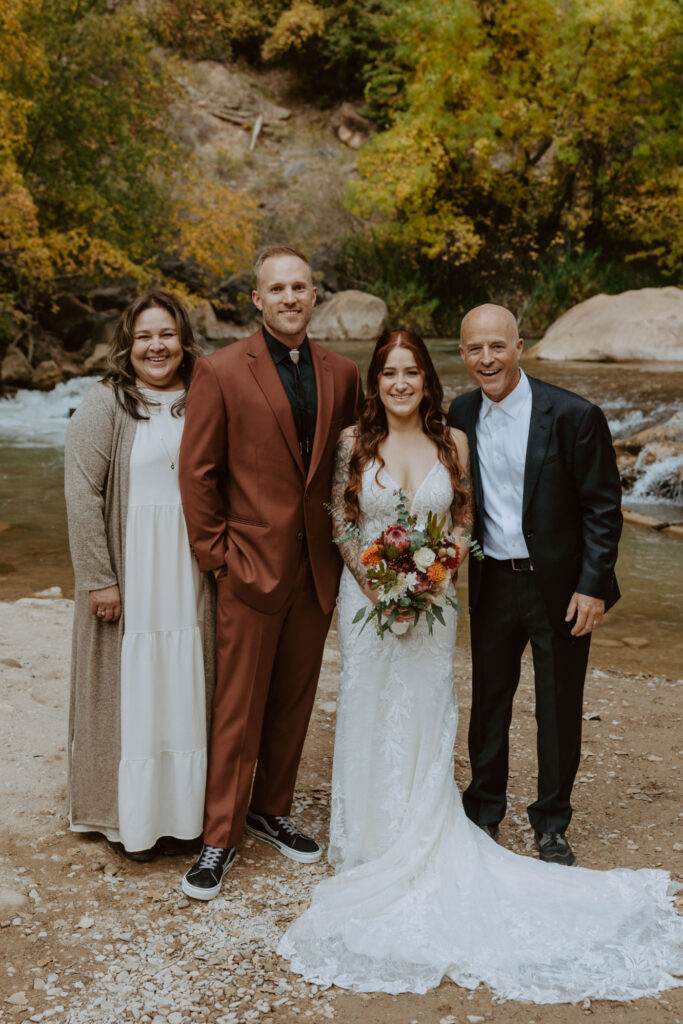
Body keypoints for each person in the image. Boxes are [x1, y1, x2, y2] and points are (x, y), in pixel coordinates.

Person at [277, 328, 683, 1000]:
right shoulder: (389, 433)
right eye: (390, 372)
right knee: (446, 700)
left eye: (413, 371)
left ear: (516, 346)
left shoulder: (525, 423)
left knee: (532, 700)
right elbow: (343, 520)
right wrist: (384, 585)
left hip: (498, 586)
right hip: (409, 595)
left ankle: (545, 823)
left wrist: (429, 579)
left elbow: (471, 518)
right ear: (377, 379)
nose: (402, 382)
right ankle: (435, 819)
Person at [178, 245, 361, 900]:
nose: (289, 297)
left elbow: (351, 469)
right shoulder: (220, 371)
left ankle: (270, 808)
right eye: (276, 288)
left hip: (316, 569)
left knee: (292, 699)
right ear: (255, 300)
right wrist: (217, 558)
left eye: (300, 286)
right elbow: (197, 473)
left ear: (315, 295)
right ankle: (218, 836)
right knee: (238, 705)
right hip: (247, 567)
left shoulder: (343, 374)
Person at [448, 303, 623, 866]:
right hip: (492, 581)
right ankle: (483, 811)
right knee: (488, 703)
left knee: (557, 705)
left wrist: (593, 585)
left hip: (560, 587)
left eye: (497, 346)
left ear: (520, 347)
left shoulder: (574, 415)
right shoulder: (460, 412)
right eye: (475, 348)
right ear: (463, 354)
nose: (487, 358)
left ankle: (551, 822)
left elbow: (602, 507)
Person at [65, 290, 215, 861]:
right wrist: (99, 578)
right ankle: (132, 818)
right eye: (145, 336)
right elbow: (81, 496)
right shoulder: (104, 404)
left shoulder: (204, 395)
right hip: (132, 568)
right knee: (132, 687)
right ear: (126, 344)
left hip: (187, 570)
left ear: (184, 341)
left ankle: (184, 817)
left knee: (187, 682)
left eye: (167, 335)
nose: (157, 346)